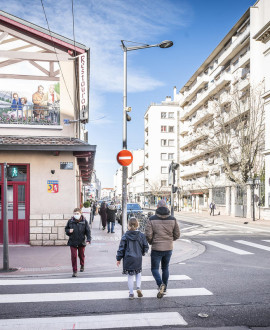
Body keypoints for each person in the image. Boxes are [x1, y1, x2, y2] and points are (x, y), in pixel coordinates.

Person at [145, 199, 180, 299]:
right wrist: (170, 240)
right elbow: (177, 234)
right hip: (168, 248)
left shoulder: (151, 219)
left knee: (154, 269)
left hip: (156, 248)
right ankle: (164, 288)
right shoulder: (173, 219)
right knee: (165, 268)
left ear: (157, 207)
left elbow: (148, 234)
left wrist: (152, 242)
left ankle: (160, 285)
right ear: (166, 207)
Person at [116, 217, 149, 299]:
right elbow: (146, 246)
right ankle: (138, 287)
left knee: (130, 276)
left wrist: (118, 258)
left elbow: (121, 248)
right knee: (138, 273)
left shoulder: (125, 235)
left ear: (128, 225)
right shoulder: (141, 235)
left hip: (128, 258)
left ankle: (131, 293)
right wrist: (143, 252)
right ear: (137, 225)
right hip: (138, 257)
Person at [65, 207, 91, 277]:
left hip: (81, 241)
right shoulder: (70, 221)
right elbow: (66, 229)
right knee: (74, 256)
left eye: (77, 213)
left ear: (80, 214)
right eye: (75, 214)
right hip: (72, 241)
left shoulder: (84, 221)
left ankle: (82, 265)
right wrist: (68, 231)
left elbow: (88, 231)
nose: (76, 215)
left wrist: (88, 239)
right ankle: (75, 271)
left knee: (81, 255)